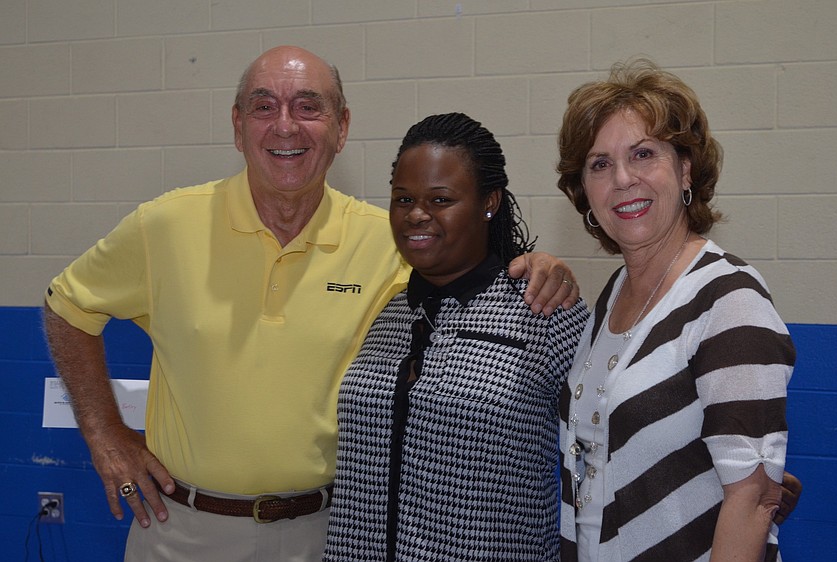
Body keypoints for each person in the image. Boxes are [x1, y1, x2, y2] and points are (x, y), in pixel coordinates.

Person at [41, 47, 579, 561]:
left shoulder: (385, 240)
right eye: (263, 106)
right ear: (236, 125)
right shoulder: (164, 226)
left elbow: (465, 262)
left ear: (341, 128)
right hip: (184, 530)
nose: (285, 125)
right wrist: (105, 433)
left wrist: (534, 264)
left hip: (330, 534)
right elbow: (66, 306)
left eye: (307, 106)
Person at [322, 113, 590, 561]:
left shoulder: (545, 311)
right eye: (403, 198)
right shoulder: (388, 312)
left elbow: (594, 467)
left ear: (489, 202)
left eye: (440, 199)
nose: (416, 215)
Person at [556, 59, 795, 561]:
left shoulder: (729, 297)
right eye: (599, 164)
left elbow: (754, 498)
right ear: (586, 192)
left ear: (685, 168)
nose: (622, 179)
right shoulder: (616, 293)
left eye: (643, 154)